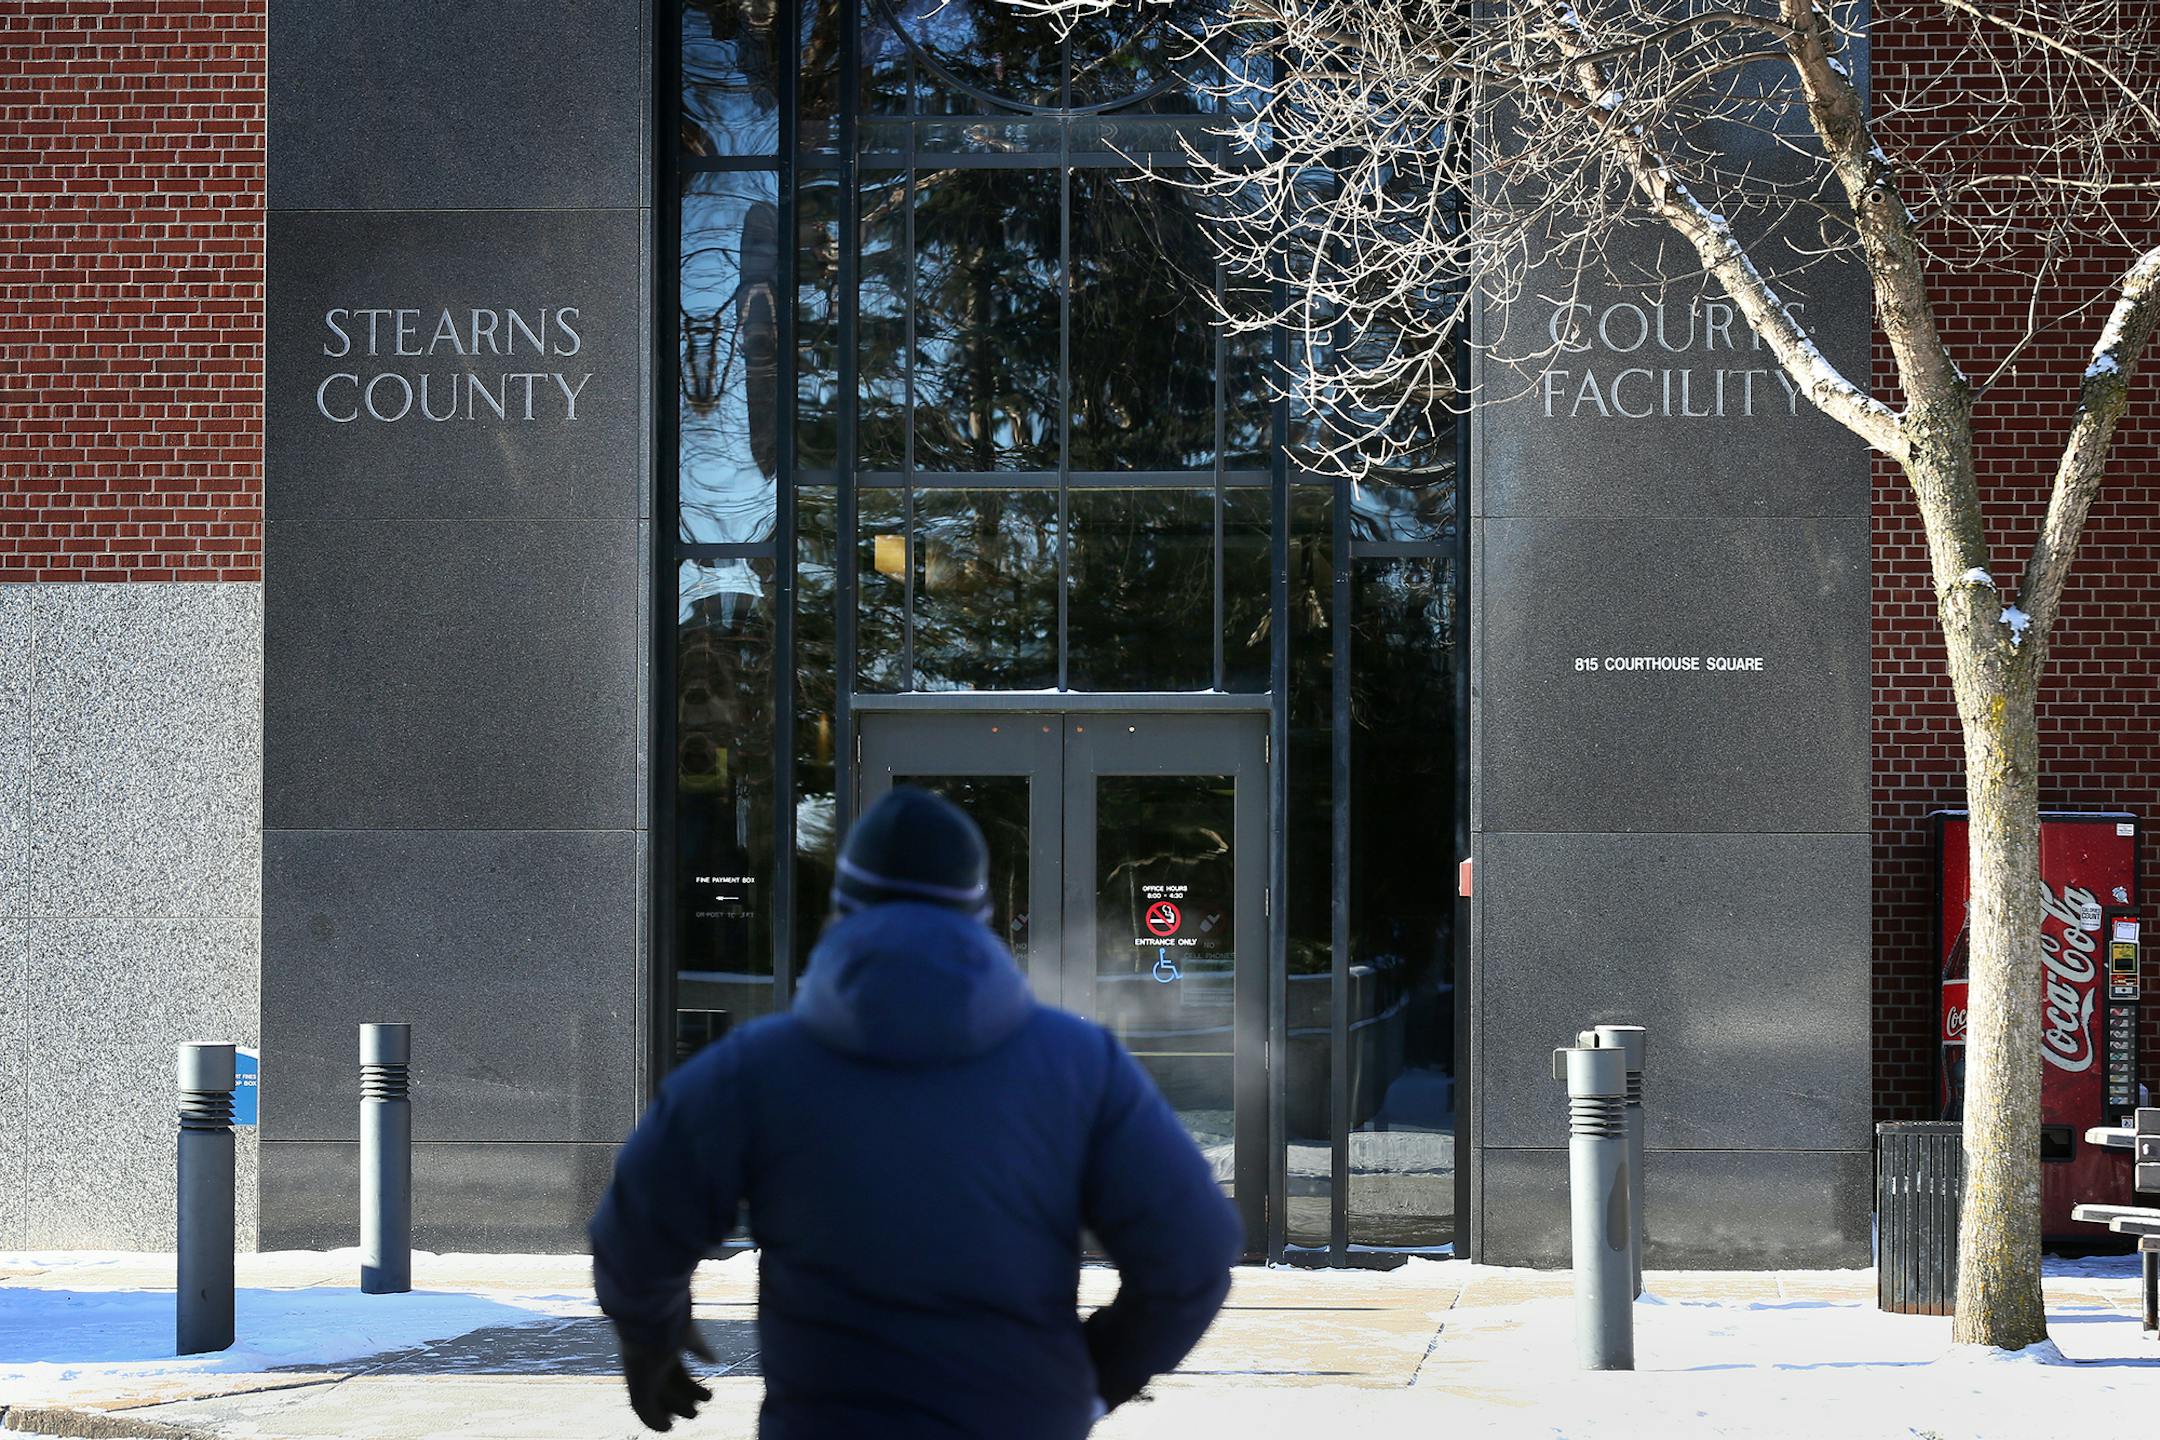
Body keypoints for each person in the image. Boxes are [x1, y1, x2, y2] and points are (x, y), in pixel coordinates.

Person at [589, 787, 1245, 1437]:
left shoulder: (755, 1069)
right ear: (979, 912)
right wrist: (1093, 1377)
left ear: (841, 911)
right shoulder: (1080, 1063)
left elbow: (639, 1223)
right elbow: (1193, 1252)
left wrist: (650, 1336)